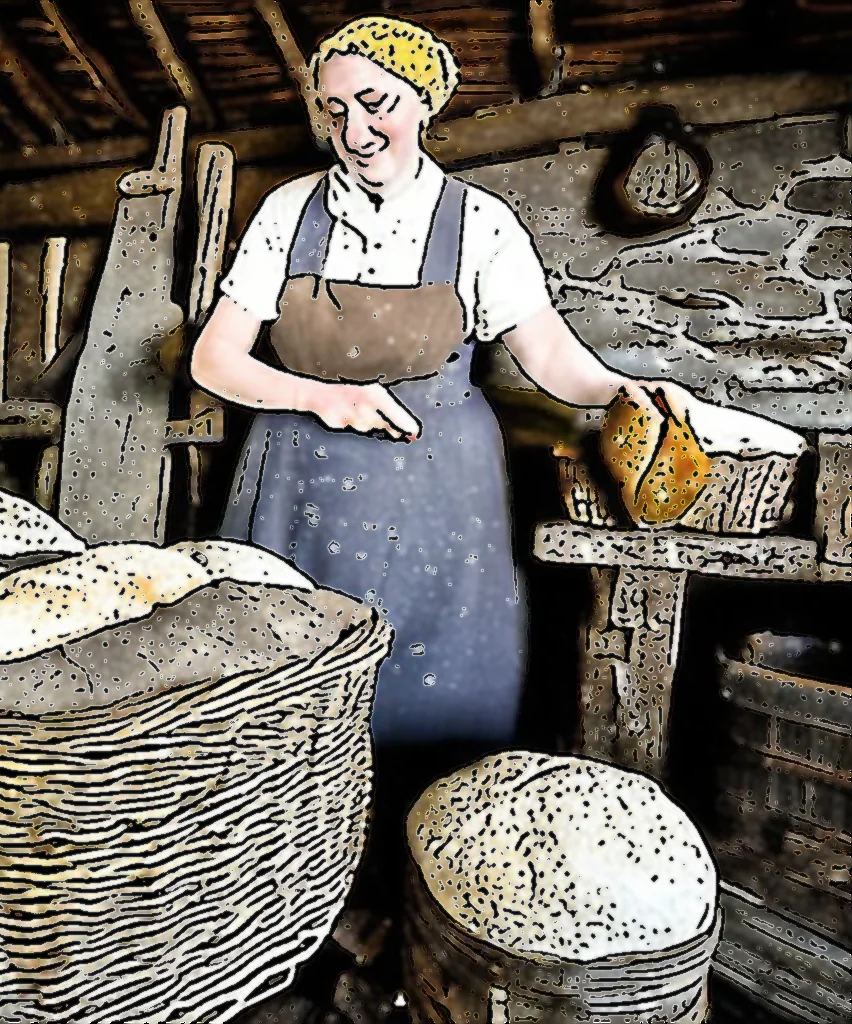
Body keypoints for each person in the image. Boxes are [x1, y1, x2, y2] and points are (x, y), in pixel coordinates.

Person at [191, 15, 693, 754]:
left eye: (376, 104)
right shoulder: (288, 212)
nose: (355, 131)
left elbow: (550, 356)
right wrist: (325, 397)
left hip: (436, 492)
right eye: (336, 111)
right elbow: (214, 360)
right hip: (295, 478)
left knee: (429, 688)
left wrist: (628, 390)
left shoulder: (481, 223)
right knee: (281, 693)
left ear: (424, 102)